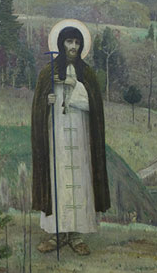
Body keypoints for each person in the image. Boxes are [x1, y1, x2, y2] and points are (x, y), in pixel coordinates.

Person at [31, 22, 110, 255]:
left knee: (81, 183)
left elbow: (94, 105)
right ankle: (56, 234)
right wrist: (49, 100)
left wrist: (75, 85)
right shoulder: (48, 72)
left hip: (82, 138)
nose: (73, 46)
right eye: (69, 42)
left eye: (77, 42)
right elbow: (39, 108)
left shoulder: (88, 74)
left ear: (81, 45)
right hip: (57, 140)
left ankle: (76, 236)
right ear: (60, 43)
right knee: (57, 180)